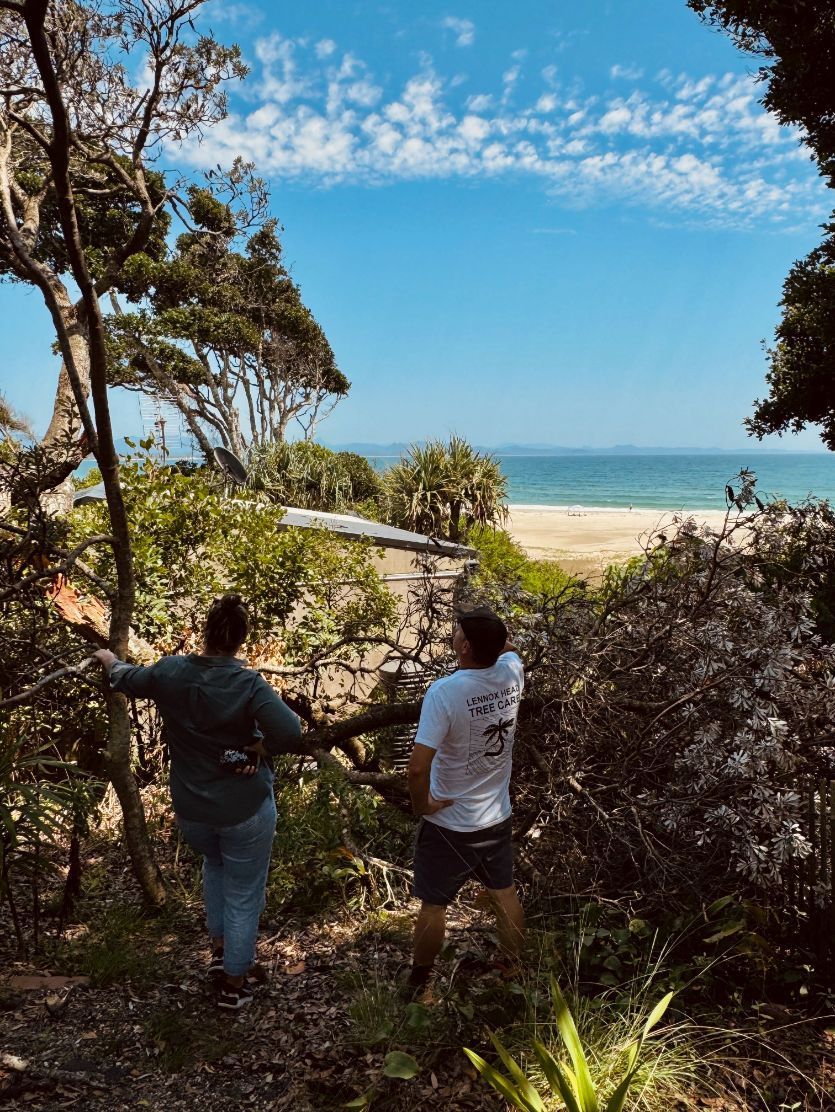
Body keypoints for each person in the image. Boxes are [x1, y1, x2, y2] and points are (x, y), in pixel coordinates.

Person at [93, 594, 301, 1010]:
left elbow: (126, 677)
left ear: (206, 632)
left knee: (215, 866)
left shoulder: (172, 672)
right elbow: (291, 732)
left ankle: (223, 953)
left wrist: (106, 658)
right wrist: (259, 748)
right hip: (244, 810)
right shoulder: (248, 684)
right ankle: (233, 986)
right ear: (242, 639)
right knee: (243, 892)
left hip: (193, 810)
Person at [406, 605, 525, 993]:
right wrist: (495, 639)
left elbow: (417, 767)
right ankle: (514, 971)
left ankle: (419, 979)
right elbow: (509, 647)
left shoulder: (445, 692)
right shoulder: (511, 670)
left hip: (450, 822)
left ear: (465, 647)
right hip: (496, 815)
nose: (453, 635)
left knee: (433, 905)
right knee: (504, 894)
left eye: (457, 633)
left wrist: (422, 805)